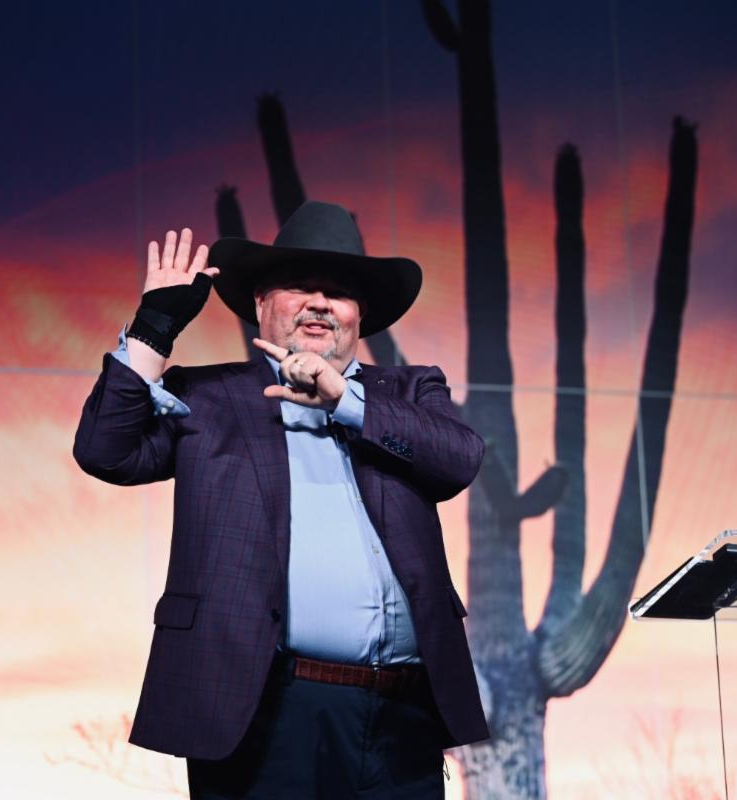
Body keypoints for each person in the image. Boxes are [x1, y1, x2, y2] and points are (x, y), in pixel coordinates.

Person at [73, 201, 488, 798]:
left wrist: (345, 400)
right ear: (261, 303)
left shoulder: (409, 389)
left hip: (403, 717)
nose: (320, 303)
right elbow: (105, 451)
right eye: (299, 287)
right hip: (263, 709)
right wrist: (153, 329)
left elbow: (459, 459)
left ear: (360, 316)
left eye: (338, 293)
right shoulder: (209, 394)